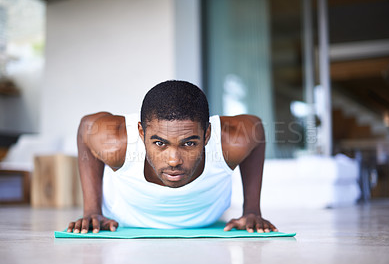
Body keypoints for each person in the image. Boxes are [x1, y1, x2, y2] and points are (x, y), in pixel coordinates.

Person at [67, 80, 277, 234]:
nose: (174, 160)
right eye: (160, 143)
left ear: (207, 135)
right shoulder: (115, 142)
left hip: (208, 217)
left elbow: (256, 131)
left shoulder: (231, 140)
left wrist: (252, 210)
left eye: (189, 143)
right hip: (125, 218)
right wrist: (92, 210)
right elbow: (86, 127)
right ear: (141, 133)